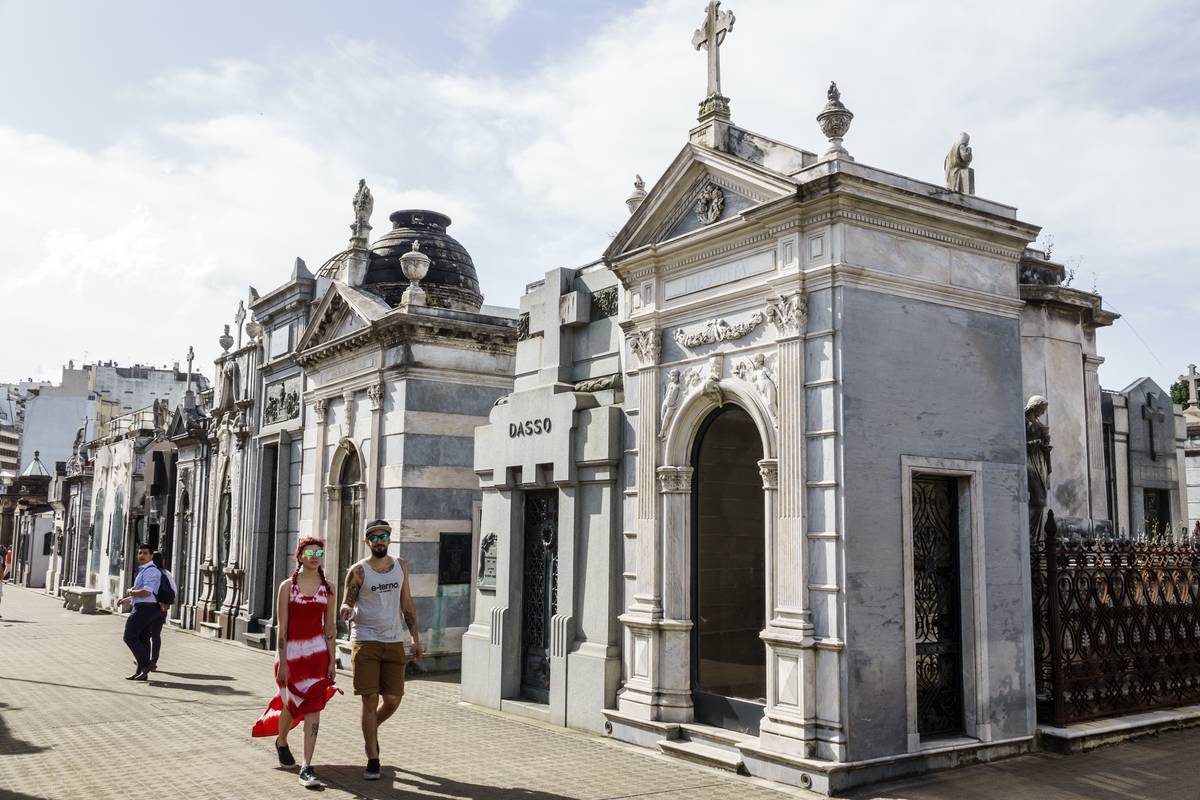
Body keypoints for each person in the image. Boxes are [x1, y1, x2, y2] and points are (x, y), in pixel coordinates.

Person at [252, 537, 340, 789]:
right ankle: (281, 741)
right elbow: (283, 628)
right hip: (291, 656)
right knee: (291, 706)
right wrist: (283, 661)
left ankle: (307, 766)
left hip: (317, 657)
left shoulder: (329, 588)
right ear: (299, 556)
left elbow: (330, 627)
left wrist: (332, 660)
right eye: (309, 551)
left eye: (319, 551)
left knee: (313, 708)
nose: (314, 556)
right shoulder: (286, 587)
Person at [340, 519, 423, 781]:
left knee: (393, 700)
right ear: (367, 542)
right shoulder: (358, 571)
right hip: (365, 640)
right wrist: (346, 609)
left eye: (383, 536)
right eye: (373, 538)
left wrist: (415, 639)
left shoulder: (401, 566)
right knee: (370, 699)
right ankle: (372, 757)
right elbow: (347, 602)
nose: (379, 541)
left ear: (389, 539)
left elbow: (407, 603)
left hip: (393, 640)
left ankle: (369, 729)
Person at [115, 544, 162, 680]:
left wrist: (131, 591)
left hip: (145, 609)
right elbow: (148, 594)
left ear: (151, 556)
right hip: (147, 607)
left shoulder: (151, 571)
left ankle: (147, 665)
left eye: (145, 553)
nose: (141, 556)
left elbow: (146, 591)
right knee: (142, 639)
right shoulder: (144, 570)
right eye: (140, 553)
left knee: (129, 637)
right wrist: (127, 599)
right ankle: (141, 671)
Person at [147, 552, 178, 672]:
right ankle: (153, 660)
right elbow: (174, 591)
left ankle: (143, 658)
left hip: (148, 608)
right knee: (156, 635)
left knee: (143, 634)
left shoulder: (151, 573)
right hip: (161, 609)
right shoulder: (167, 573)